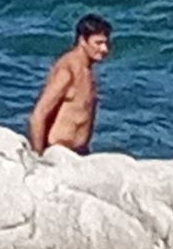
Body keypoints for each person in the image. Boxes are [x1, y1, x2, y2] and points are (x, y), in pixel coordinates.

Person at [26, 14, 114, 153]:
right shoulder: (67, 71)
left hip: (79, 152)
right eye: (98, 43)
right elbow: (38, 116)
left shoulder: (86, 69)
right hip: (60, 152)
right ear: (82, 41)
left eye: (106, 43)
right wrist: (39, 158)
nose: (105, 49)